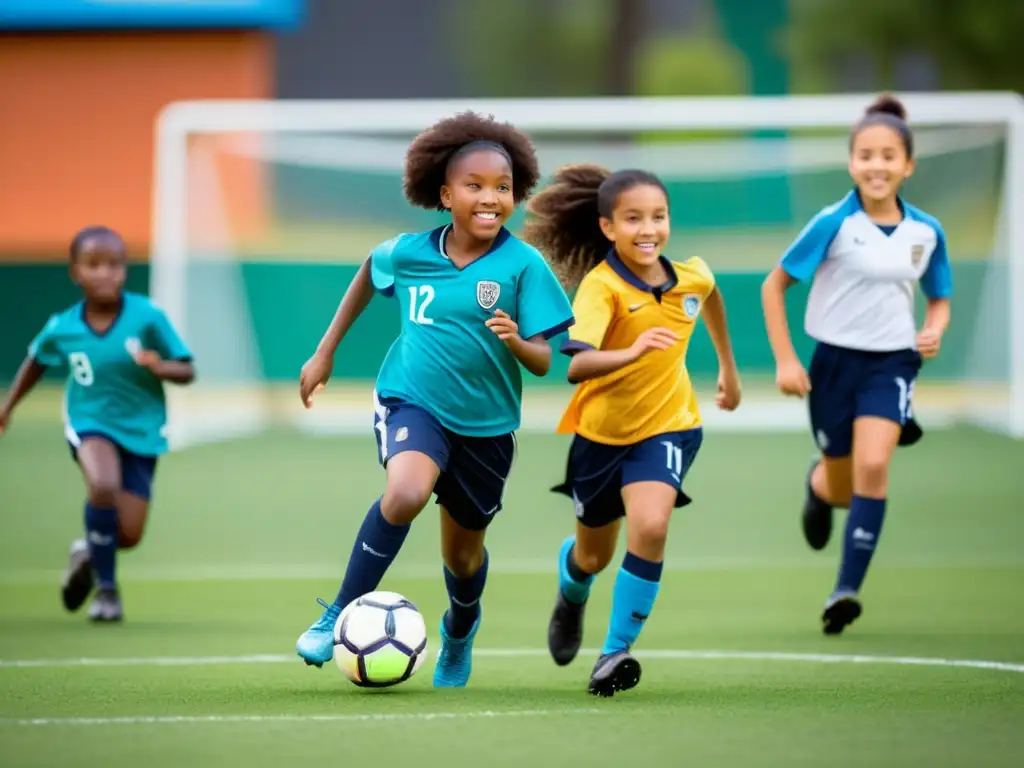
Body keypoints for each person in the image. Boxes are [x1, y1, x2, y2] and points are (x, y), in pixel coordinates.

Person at [295, 111, 575, 687]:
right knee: (406, 491)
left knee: (463, 557)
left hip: (488, 427)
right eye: (474, 186)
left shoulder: (523, 265)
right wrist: (325, 353)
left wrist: (517, 341)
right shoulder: (409, 253)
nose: (490, 198)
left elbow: (547, 359)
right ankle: (337, 615)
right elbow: (368, 272)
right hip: (412, 401)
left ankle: (460, 630)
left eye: (502, 188)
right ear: (445, 194)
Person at [522, 164, 742, 696]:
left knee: (652, 523)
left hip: (669, 428)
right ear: (608, 228)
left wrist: (727, 370)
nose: (648, 229)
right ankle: (572, 591)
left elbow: (708, 297)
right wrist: (633, 350)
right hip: (600, 437)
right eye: (634, 219)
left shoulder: (690, 276)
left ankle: (614, 652)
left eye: (658, 217)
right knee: (592, 555)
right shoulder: (602, 287)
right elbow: (575, 366)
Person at [760, 94, 952, 635]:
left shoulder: (926, 231)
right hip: (832, 365)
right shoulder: (833, 222)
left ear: (907, 165)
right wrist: (785, 361)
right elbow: (774, 286)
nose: (877, 165)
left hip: (892, 363)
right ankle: (820, 486)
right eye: (866, 155)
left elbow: (939, 297)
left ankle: (845, 589)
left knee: (874, 467)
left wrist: (934, 329)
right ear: (851, 163)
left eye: (889, 155)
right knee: (844, 484)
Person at [0, 226, 195, 622]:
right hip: (89, 422)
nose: (104, 273)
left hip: (141, 430)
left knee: (128, 534)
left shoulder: (147, 316)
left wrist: (159, 366)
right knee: (102, 486)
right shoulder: (63, 326)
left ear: (125, 270)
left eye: (113, 264)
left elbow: (187, 369)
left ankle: (87, 551)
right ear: (75, 272)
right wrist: (8, 406)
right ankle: (107, 592)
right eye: (93, 264)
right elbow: (36, 361)